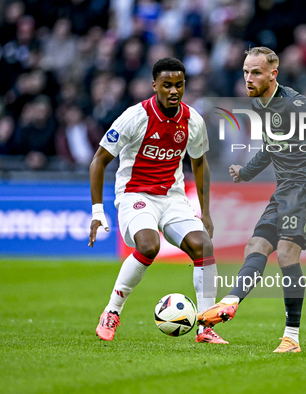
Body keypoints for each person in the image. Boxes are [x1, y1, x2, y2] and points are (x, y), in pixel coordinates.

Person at [197, 47, 306, 352]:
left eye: (256, 72)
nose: (248, 78)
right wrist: (247, 172)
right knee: (256, 246)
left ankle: (291, 337)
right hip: (284, 189)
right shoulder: (259, 103)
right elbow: (270, 146)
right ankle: (230, 302)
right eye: (245, 72)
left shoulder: (294, 105)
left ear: (272, 74)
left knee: (286, 253)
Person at [88, 57, 227, 344]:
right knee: (149, 246)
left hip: (172, 198)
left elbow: (200, 165)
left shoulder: (193, 121)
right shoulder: (134, 117)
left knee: (203, 246)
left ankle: (205, 326)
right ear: (155, 86)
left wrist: (206, 212)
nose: (174, 91)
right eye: (167, 85)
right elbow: (99, 161)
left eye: (179, 85)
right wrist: (97, 210)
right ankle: (111, 312)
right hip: (135, 195)